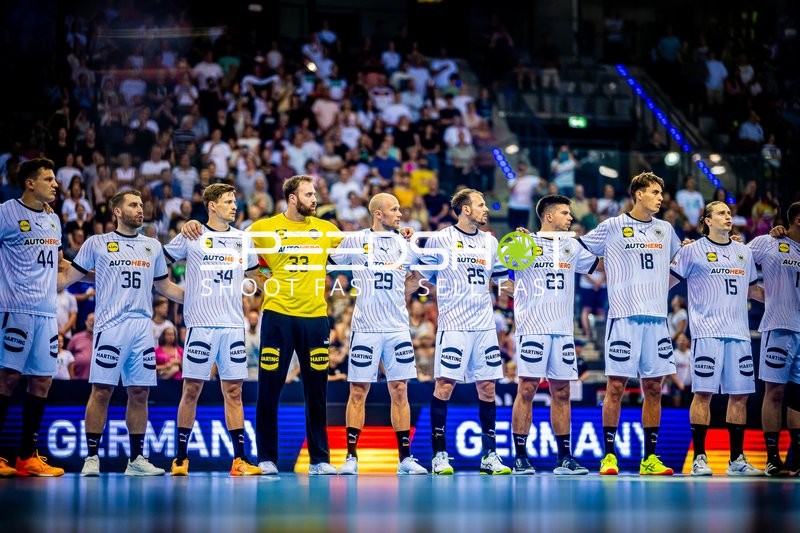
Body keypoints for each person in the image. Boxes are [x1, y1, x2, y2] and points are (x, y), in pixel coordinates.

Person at [58, 190, 184, 476]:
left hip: (142, 328)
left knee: (139, 393)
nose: (141, 209)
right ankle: (91, 457)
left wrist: (199, 296)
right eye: (133, 205)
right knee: (101, 390)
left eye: (142, 204)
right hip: (110, 326)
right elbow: (67, 278)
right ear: (117, 211)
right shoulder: (97, 243)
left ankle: (137, 459)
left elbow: (165, 288)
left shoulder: (152, 246)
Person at [577, 172, 681, 475]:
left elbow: (684, 264)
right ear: (638, 194)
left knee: (654, 388)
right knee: (615, 387)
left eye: (662, 192)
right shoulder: (612, 226)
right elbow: (578, 249)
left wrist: (662, 287)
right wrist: (599, 271)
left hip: (656, 320)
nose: (661, 197)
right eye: (654, 191)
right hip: (622, 317)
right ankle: (609, 456)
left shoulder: (666, 230)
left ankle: (650, 458)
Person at [245, 175, 344, 475]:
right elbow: (237, 249)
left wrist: (395, 234)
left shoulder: (326, 229)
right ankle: (267, 458)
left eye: (315, 194)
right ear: (292, 198)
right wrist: (265, 272)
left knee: (317, 390)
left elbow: (360, 246)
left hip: (315, 317)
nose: (315, 199)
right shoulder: (263, 228)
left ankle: (320, 460)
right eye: (309, 194)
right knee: (269, 388)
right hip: (277, 315)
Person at [163, 183, 262, 476]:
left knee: (234, 391)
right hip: (201, 325)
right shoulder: (192, 234)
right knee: (191, 389)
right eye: (228, 201)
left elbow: (256, 275)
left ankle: (240, 460)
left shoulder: (243, 239)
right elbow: (159, 264)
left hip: (232, 325)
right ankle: (180, 458)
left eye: (235, 201)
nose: (234, 206)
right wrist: (180, 294)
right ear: (212, 205)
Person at [329, 193, 428, 475]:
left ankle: (405, 459)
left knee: (400, 390)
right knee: (358, 390)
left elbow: (415, 278)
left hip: (397, 328)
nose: (400, 213)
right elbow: (329, 257)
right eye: (394, 209)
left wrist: (400, 291)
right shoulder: (355, 239)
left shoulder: (405, 243)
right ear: (378, 214)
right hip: (365, 328)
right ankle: (350, 457)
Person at [419, 188, 511, 475]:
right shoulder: (441, 239)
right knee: (444, 386)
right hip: (454, 324)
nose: (487, 209)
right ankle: (439, 455)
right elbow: (422, 274)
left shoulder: (490, 242)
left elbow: (500, 280)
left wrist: (520, 254)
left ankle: (490, 455)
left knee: (488, 387)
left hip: (484, 326)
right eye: (481, 204)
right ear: (466, 210)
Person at [670, 201, 764, 476]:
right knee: (703, 395)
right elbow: (667, 281)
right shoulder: (692, 250)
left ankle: (737, 460)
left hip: (739, 334)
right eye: (721, 212)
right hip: (707, 333)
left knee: (740, 396)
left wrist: (787, 299)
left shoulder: (743, 252)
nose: (728, 216)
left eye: (729, 212)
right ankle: (700, 457)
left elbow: (753, 291)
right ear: (707, 220)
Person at [506, 195, 598, 475]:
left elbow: (602, 266)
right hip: (532, 327)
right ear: (548, 216)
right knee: (527, 389)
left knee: (563, 392)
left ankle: (564, 458)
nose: (570, 218)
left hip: (562, 331)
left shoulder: (572, 245)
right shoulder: (524, 241)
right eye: (564, 213)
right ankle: (520, 457)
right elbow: (502, 274)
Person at [0, 158, 66, 476]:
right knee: (8, 378)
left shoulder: (54, 220)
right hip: (15, 310)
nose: (55, 184)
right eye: (48, 179)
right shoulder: (6, 212)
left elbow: (60, 264)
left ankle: (27, 456)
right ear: (30, 182)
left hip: (47, 312)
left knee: (42, 381)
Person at [748, 201, 800, 476]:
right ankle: (772, 458)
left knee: (797, 397)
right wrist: (756, 293)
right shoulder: (769, 243)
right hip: (778, 327)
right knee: (775, 392)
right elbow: (735, 258)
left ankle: (796, 458)